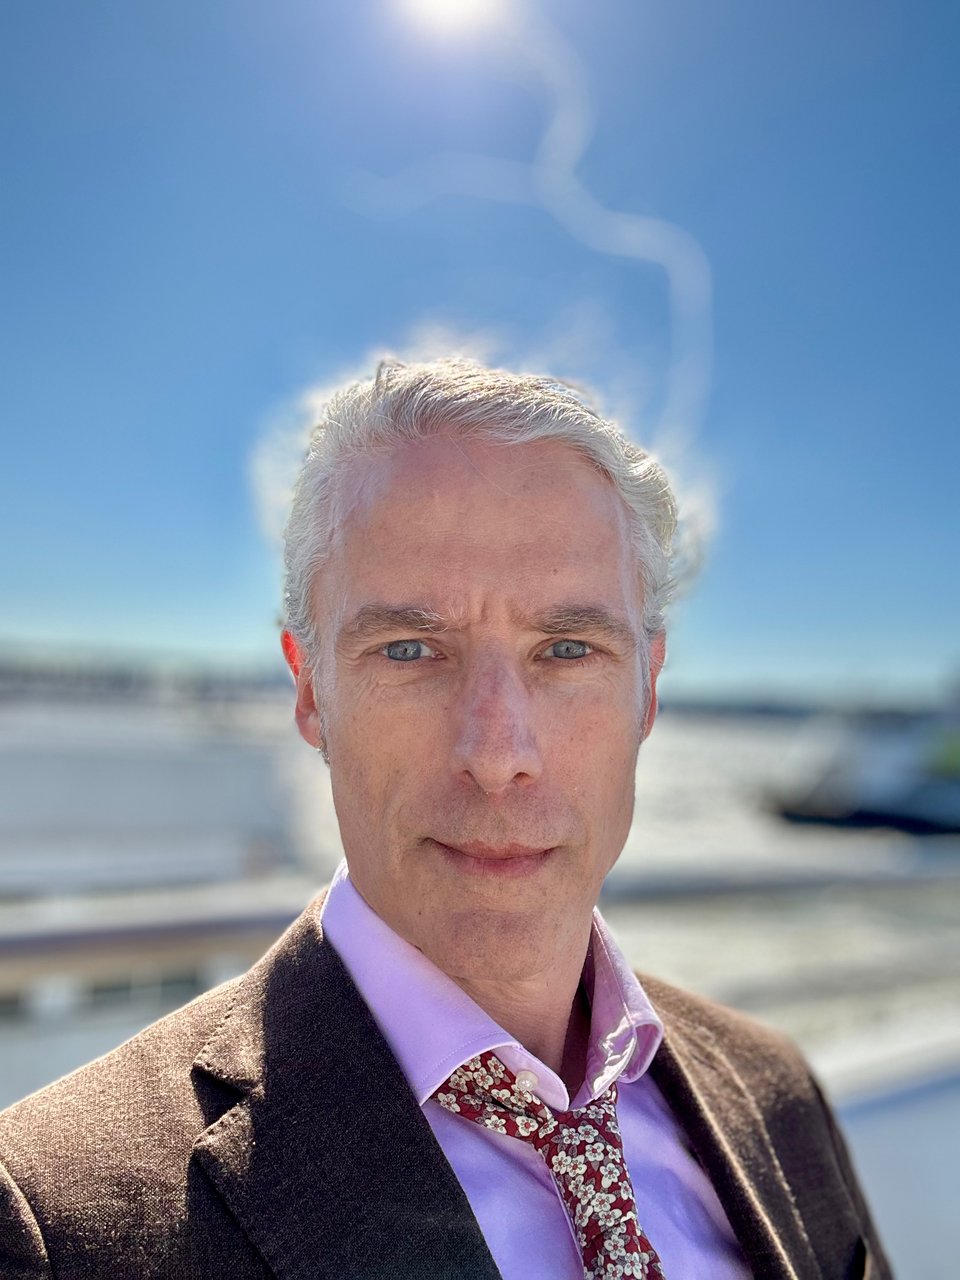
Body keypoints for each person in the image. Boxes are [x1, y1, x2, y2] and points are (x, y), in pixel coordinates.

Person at [0, 358, 889, 1279]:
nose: (498, 752)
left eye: (568, 648)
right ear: (311, 690)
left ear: (647, 690)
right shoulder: (52, 1220)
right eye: (412, 648)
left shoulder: (774, 1093)